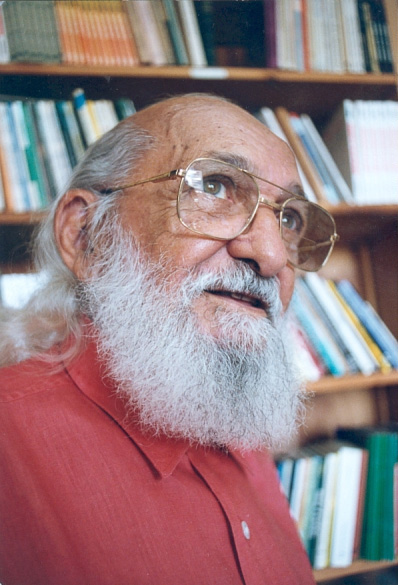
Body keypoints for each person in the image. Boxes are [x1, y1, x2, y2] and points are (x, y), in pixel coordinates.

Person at [0, 94, 338, 585]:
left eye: (288, 219)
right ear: (87, 234)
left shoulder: (238, 421)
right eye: (214, 185)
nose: (271, 256)